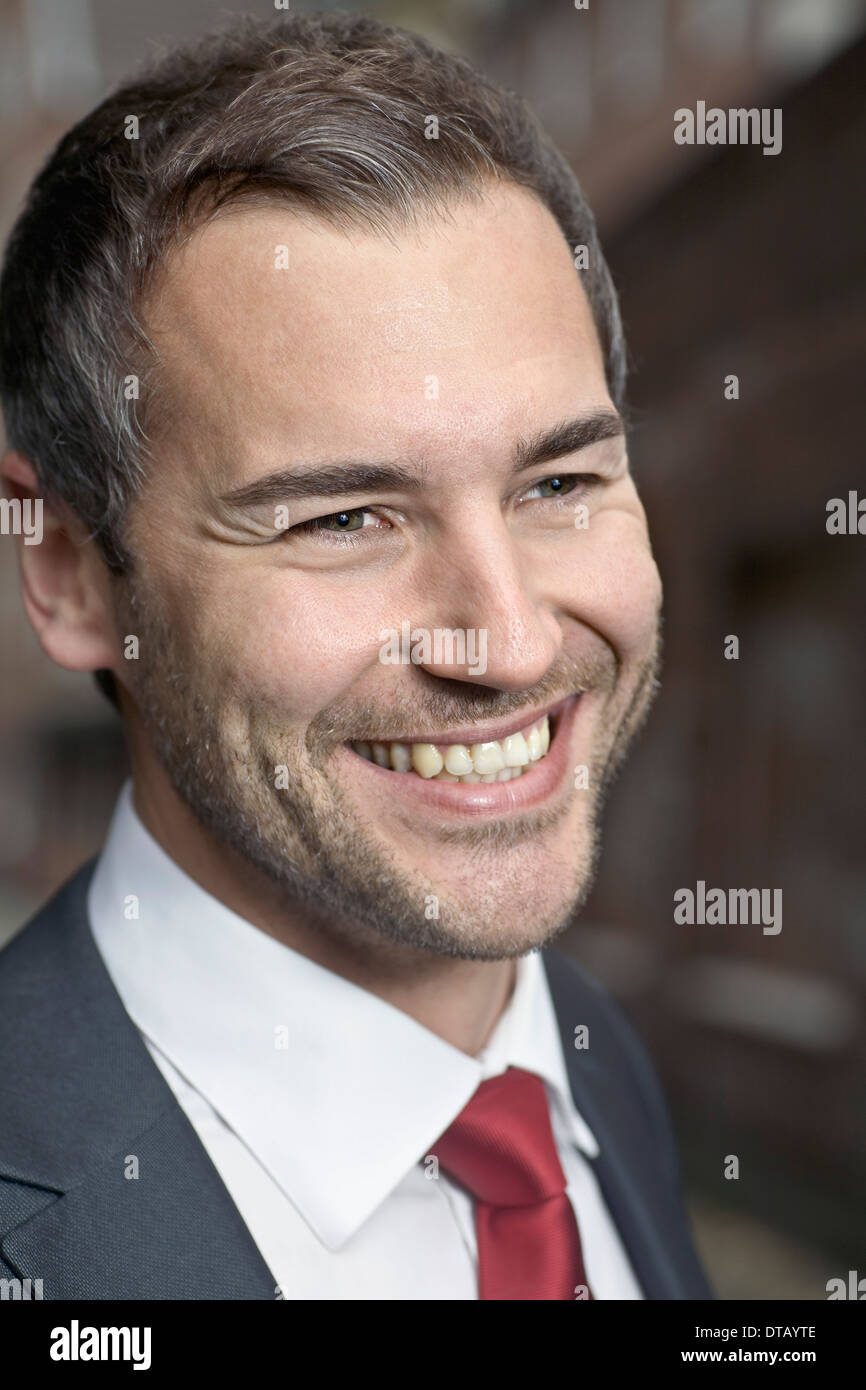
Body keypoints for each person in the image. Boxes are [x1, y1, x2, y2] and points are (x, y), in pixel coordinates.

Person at [0, 11, 712, 1300]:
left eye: (558, 482)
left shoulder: (599, 1068)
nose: (507, 643)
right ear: (68, 574)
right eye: (343, 519)